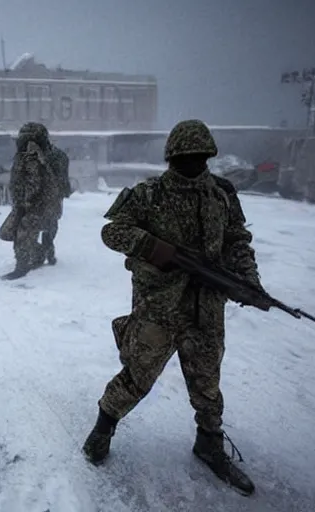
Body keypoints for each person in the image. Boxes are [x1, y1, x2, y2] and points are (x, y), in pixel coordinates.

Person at [82, 119, 271, 496]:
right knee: (138, 375)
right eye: (185, 157)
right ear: (172, 157)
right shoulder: (149, 193)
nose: (192, 163)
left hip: (206, 306)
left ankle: (209, 443)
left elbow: (237, 239)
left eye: (199, 157)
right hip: (159, 307)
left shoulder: (222, 194)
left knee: (207, 381)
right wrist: (155, 249)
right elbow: (112, 231)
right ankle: (103, 429)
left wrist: (248, 281)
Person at [0, 122, 60, 280]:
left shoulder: (31, 158)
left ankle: (22, 266)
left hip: (33, 206)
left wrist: (26, 202)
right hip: (34, 205)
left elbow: (33, 183)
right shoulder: (34, 156)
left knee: (23, 235)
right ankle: (40, 254)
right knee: (14, 232)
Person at [41, 140, 71, 265]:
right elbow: (64, 175)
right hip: (54, 194)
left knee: (36, 222)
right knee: (52, 221)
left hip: (41, 193)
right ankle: (47, 247)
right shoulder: (61, 155)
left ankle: (42, 250)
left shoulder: (36, 157)